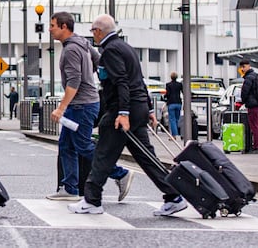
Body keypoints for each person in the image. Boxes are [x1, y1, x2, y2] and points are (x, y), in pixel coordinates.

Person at [69, 14, 186, 217]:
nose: (92, 36)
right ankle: (173, 196)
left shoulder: (110, 51)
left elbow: (122, 82)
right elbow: (138, 80)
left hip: (123, 111)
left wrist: (123, 113)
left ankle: (92, 200)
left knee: (103, 155)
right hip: (137, 108)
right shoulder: (126, 47)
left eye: (92, 31)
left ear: (98, 31)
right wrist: (148, 109)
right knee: (147, 157)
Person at [47, 12, 134, 202]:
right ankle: (69, 188)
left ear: (64, 27)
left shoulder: (71, 50)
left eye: (53, 25)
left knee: (84, 146)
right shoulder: (83, 43)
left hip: (81, 106)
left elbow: (74, 81)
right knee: (66, 145)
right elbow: (99, 62)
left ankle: (120, 174)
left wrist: (61, 108)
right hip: (84, 103)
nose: (50, 29)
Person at [239, 60, 258, 154]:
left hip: (252, 106)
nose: (242, 69)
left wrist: (244, 100)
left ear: (245, 67)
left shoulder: (248, 78)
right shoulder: (257, 76)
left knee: (254, 127)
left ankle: (256, 147)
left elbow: (244, 92)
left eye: (243, 67)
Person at [164, 72, 183, 139]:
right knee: (177, 119)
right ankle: (178, 132)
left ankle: (174, 135)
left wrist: (165, 96)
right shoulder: (180, 84)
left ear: (171, 77)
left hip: (171, 103)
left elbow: (168, 94)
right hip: (178, 103)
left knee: (172, 119)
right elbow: (183, 92)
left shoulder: (168, 85)